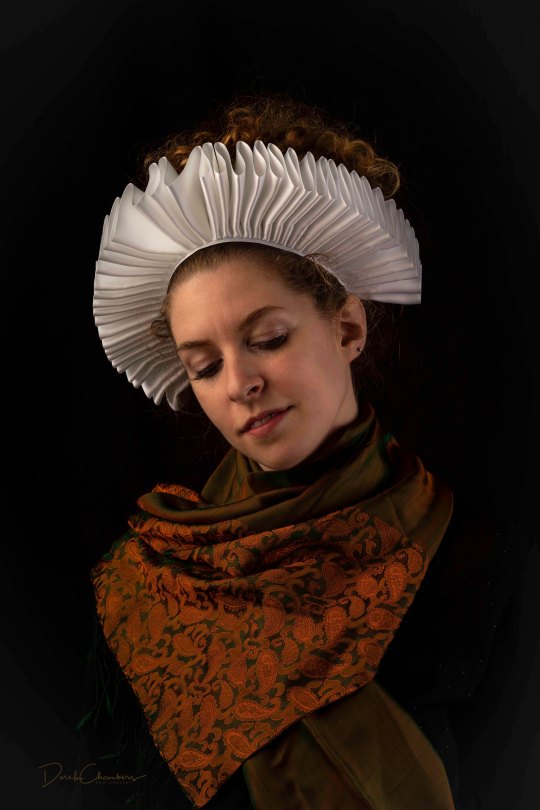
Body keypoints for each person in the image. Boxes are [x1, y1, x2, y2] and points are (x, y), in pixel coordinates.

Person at [84, 94, 534, 810]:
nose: (240, 383)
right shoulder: (149, 585)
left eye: (268, 339)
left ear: (348, 328)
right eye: (205, 365)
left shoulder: (480, 559)